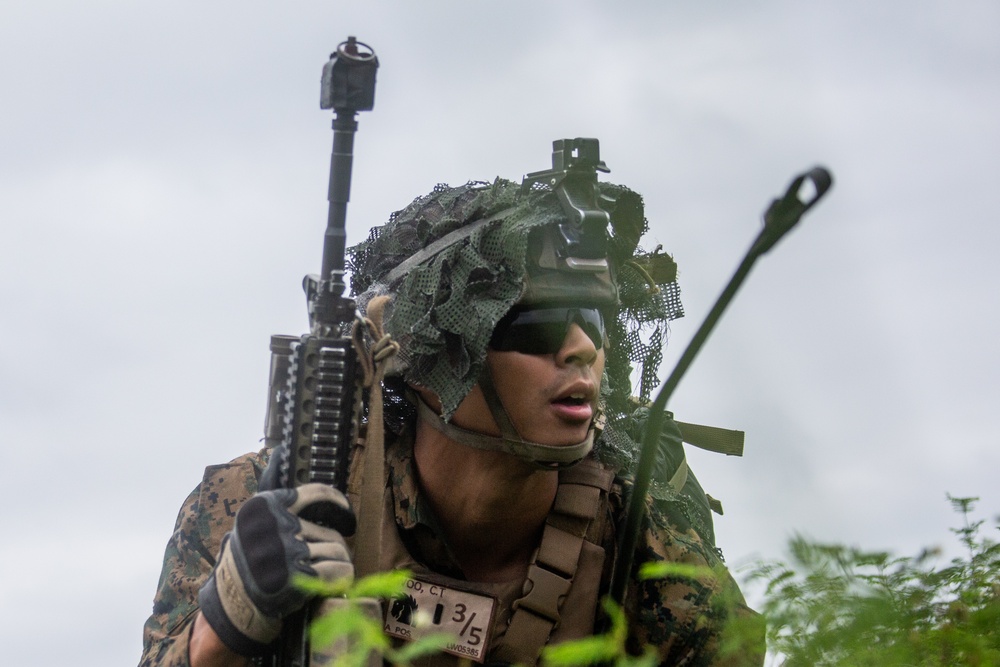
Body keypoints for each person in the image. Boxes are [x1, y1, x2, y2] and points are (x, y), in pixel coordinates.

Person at [140, 139, 764, 667]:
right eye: (536, 326)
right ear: (430, 356)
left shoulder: (639, 523)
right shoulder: (264, 503)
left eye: (594, 320)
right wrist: (224, 623)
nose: (579, 350)